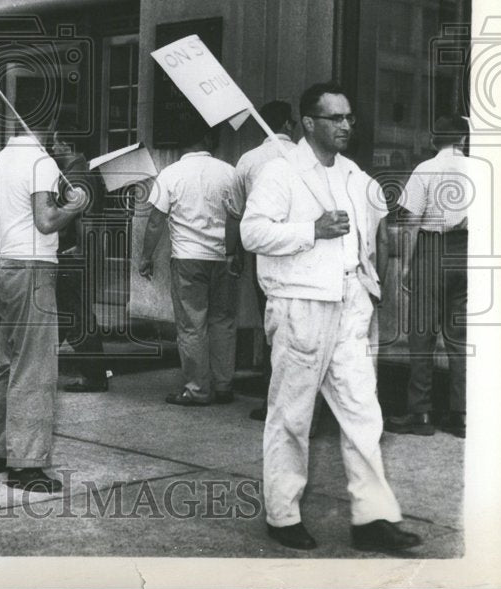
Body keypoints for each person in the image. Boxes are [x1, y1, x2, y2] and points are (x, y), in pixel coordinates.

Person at [241, 81, 421, 553]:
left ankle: (373, 519)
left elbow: (384, 215)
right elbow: (252, 232)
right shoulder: (280, 173)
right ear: (308, 123)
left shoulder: (351, 173)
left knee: (364, 412)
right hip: (301, 303)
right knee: (292, 414)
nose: (346, 125)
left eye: (349, 118)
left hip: (351, 303)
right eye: (335, 118)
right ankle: (282, 515)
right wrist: (311, 230)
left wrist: (379, 261)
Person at [0, 114, 88, 492]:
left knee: (9, 361)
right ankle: (25, 464)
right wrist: (77, 204)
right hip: (34, 266)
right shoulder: (43, 163)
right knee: (35, 366)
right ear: (51, 127)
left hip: (7, 264)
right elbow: (46, 220)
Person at [139, 115, 242, 406]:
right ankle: (223, 385)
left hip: (187, 258)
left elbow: (156, 221)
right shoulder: (229, 172)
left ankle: (197, 388)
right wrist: (235, 253)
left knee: (191, 324)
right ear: (208, 139)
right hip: (223, 256)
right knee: (223, 321)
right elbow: (236, 217)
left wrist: (146, 257)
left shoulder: (170, 174)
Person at [385, 114, 472, 439]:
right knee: (459, 337)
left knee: (422, 335)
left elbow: (410, 221)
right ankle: (460, 415)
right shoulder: (479, 170)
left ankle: (420, 412)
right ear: (462, 140)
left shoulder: (426, 169)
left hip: (432, 248)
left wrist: (407, 266)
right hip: (468, 252)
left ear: (435, 141)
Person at [234, 101, 297, 421]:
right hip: (301, 249)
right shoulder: (303, 156)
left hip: (264, 254)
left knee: (271, 325)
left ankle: (273, 400)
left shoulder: (248, 160)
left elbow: (239, 211)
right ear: (288, 124)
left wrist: (236, 253)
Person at [49, 121, 109, 393]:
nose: (52, 147)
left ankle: (94, 375)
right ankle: (49, 365)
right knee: (67, 312)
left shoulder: (75, 178)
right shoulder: (87, 171)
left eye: (56, 142)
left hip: (73, 254)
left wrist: (81, 250)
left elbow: (85, 220)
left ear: (66, 145)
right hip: (81, 253)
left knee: (76, 314)